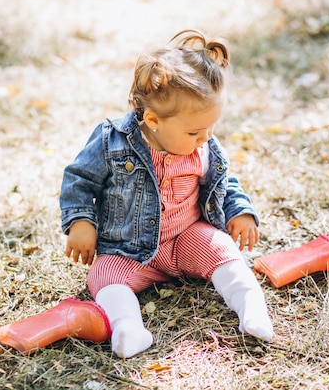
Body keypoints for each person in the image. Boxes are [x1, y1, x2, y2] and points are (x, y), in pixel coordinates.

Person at [59, 29, 274, 358]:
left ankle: (251, 309)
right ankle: (128, 328)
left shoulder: (202, 146)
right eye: (194, 131)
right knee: (102, 274)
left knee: (225, 252)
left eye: (211, 128)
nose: (206, 137)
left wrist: (239, 211)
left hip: (188, 237)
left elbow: (224, 181)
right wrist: (80, 223)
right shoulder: (112, 141)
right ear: (154, 119)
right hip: (130, 250)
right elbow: (79, 180)